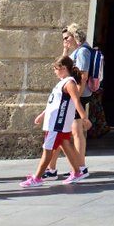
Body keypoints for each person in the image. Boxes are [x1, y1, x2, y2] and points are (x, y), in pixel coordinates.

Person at [20, 56, 92, 188]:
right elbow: (54, 103)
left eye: (56, 68)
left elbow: (76, 101)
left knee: (47, 149)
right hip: (55, 121)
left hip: (57, 123)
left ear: (64, 68)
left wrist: (84, 118)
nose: (54, 71)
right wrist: (42, 115)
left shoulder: (69, 83)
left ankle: (37, 178)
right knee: (65, 144)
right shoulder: (62, 82)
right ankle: (77, 172)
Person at [44, 23, 93, 180]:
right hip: (72, 96)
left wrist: (75, 96)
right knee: (66, 131)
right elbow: (62, 65)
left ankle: (79, 167)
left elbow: (83, 76)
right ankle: (61, 167)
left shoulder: (83, 51)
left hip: (76, 96)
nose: (64, 41)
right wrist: (65, 50)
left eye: (66, 38)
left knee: (73, 132)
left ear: (74, 36)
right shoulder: (77, 51)